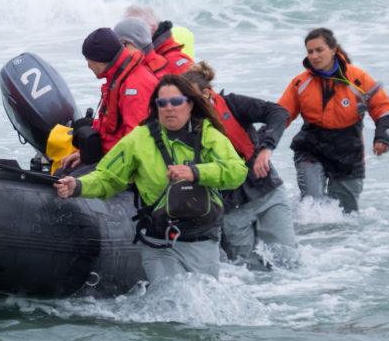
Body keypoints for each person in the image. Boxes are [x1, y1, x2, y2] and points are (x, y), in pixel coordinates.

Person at [54, 74, 247, 283]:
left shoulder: (209, 135)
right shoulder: (139, 139)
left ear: (190, 104)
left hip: (201, 240)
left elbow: (236, 171)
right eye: (162, 103)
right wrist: (78, 186)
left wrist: (196, 172)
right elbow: (107, 178)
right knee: (169, 302)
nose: (169, 108)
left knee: (202, 304)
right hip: (158, 240)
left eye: (176, 102)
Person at [184, 62, 298, 269]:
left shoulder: (234, 104)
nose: (187, 106)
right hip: (231, 208)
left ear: (208, 94)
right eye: (184, 100)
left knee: (288, 262)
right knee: (246, 270)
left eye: (192, 100)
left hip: (267, 192)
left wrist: (266, 148)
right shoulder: (181, 126)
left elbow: (279, 112)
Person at [278, 27, 389, 213]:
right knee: (312, 207)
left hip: (348, 151)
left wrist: (383, 137)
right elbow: (281, 115)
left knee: (346, 215)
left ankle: (340, 243)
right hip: (311, 148)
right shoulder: (300, 82)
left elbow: (384, 109)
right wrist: (264, 139)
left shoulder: (358, 79)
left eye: (319, 50)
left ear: (333, 50)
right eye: (310, 52)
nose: (315, 56)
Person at [60, 27, 158, 170]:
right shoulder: (118, 77)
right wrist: (85, 154)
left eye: (88, 60)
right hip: (110, 153)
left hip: (124, 164)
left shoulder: (135, 85)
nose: (88, 66)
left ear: (100, 60)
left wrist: (101, 167)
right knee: (64, 170)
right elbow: (108, 127)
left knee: (67, 183)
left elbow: (135, 140)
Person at [124, 5, 194, 74]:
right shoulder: (149, 58)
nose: (129, 37)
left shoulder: (175, 62)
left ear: (152, 27)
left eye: (134, 29)